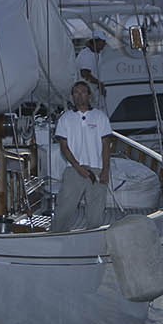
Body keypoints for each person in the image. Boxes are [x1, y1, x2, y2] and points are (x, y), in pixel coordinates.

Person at [51, 81, 112, 232]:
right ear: (72, 96)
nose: (79, 96)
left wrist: (105, 170)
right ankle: (57, 236)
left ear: (89, 95)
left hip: (97, 169)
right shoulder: (65, 119)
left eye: (83, 92)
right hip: (74, 169)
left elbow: (106, 146)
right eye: (76, 93)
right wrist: (78, 168)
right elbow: (64, 147)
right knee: (65, 207)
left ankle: (92, 239)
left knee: (96, 210)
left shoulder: (100, 117)